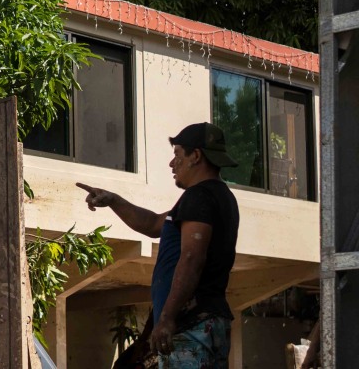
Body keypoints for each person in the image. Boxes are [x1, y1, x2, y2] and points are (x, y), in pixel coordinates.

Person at [76, 122, 240, 368]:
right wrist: (113, 200)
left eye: (177, 155)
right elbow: (153, 224)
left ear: (195, 156)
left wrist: (167, 318)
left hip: (192, 325)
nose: (172, 164)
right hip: (205, 323)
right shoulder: (217, 198)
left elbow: (192, 259)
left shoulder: (199, 197)